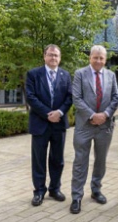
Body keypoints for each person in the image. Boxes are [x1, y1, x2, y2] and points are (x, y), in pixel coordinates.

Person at [69, 45, 118, 214]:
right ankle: (76, 196)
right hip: (84, 126)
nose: (98, 61)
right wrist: (92, 115)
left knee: (101, 160)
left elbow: (115, 97)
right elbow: (76, 98)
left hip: (104, 126)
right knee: (80, 161)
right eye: (95, 57)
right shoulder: (80, 74)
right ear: (90, 57)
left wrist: (105, 114)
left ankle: (96, 190)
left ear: (105, 59)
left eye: (101, 58)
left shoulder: (111, 75)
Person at [26, 44, 73, 206]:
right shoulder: (33, 74)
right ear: (44, 56)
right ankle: (39, 191)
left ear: (60, 58)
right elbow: (31, 97)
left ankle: (55, 189)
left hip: (59, 124)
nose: (53, 58)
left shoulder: (66, 75)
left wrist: (59, 113)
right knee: (38, 159)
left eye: (56, 55)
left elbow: (69, 97)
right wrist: (48, 114)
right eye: (51, 55)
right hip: (40, 123)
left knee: (57, 159)